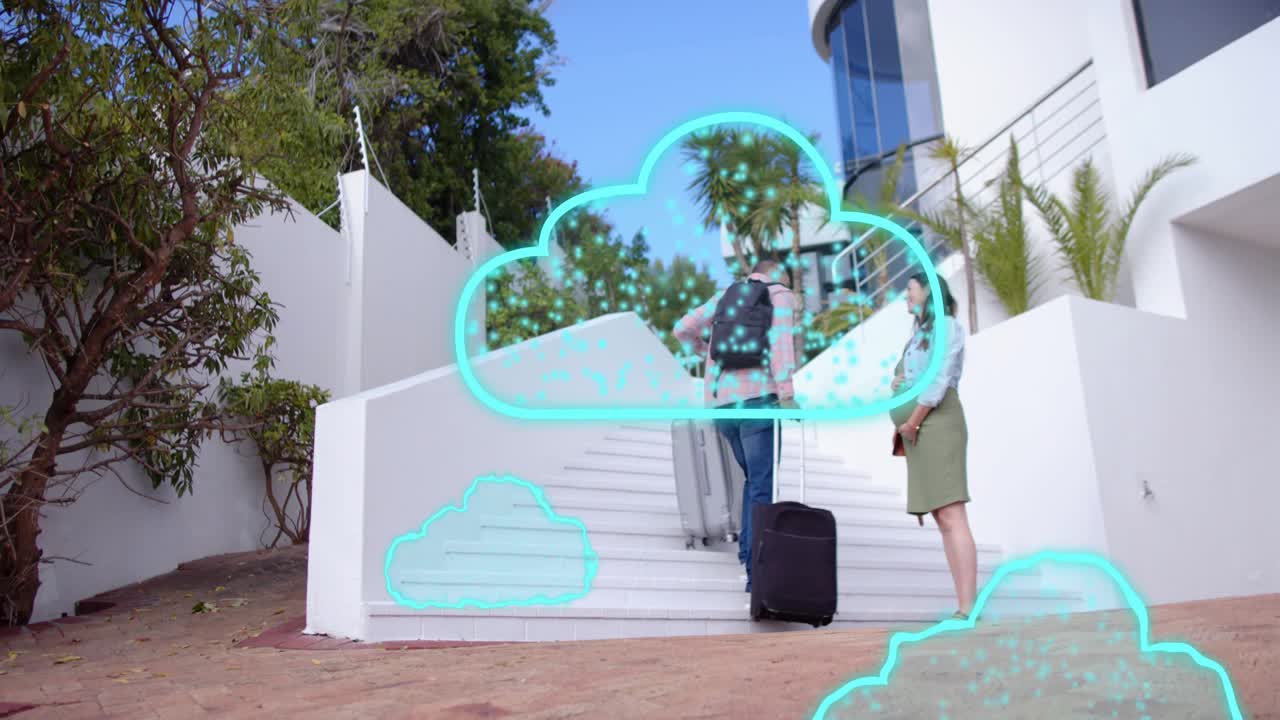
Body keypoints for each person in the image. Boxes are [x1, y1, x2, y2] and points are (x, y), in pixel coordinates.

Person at [672, 259, 799, 593]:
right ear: (776, 274)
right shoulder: (778, 295)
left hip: (722, 406)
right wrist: (787, 395)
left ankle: (747, 557)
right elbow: (781, 346)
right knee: (763, 486)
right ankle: (760, 573)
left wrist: (706, 350)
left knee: (752, 483)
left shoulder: (725, 295)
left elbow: (682, 328)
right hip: (758, 401)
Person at [889, 272, 977, 620]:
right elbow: (907, 376)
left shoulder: (947, 326)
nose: (906, 297)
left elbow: (939, 379)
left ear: (928, 290)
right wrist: (898, 385)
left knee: (952, 513)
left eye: (909, 289)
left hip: (936, 423)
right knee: (942, 517)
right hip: (918, 430)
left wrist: (913, 420)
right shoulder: (917, 335)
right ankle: (963, 606)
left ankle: (968, 608)